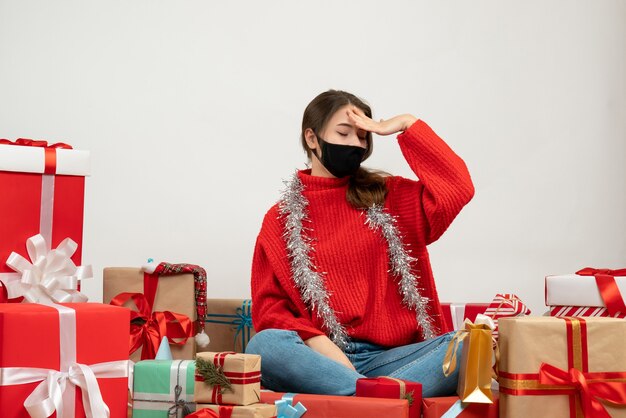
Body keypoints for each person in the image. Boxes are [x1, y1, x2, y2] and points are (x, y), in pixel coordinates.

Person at [245, 90, 474, 397]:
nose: (356, 143)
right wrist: (320, 344)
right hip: (320, 359)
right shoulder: (280, 220)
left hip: (395, 359)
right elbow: (269, 309)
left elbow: (458, 188)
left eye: (364, 136)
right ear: (312, 138)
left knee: (466, 348)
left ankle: (361, 400)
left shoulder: (390, 196)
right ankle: (377, 400)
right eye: (344, 132)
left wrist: (407, 124)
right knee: (264, 345)